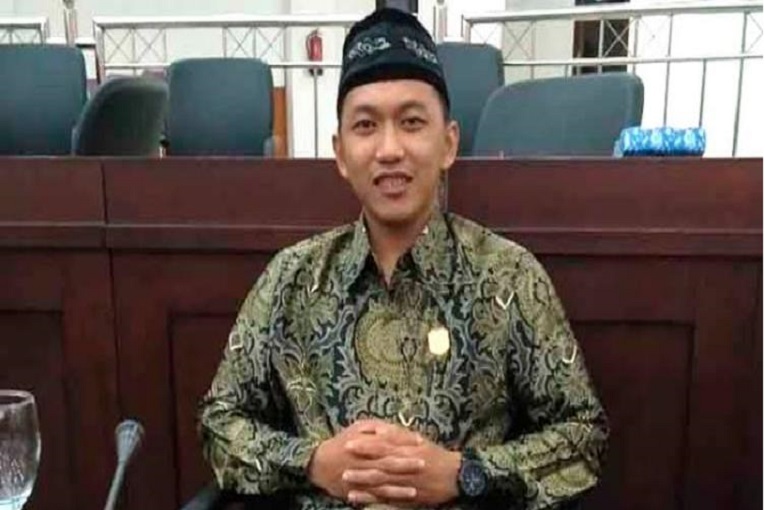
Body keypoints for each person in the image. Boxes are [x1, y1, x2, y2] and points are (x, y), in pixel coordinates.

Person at [199, 8, 607, 510]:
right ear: (340, 153)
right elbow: (219, 422)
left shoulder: (508, 276)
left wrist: (465, 474)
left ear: (448, 143)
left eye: (412, 122)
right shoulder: (292, 279)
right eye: (366, 125)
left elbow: (583, 436)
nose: (389, 149)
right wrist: (313, 463)